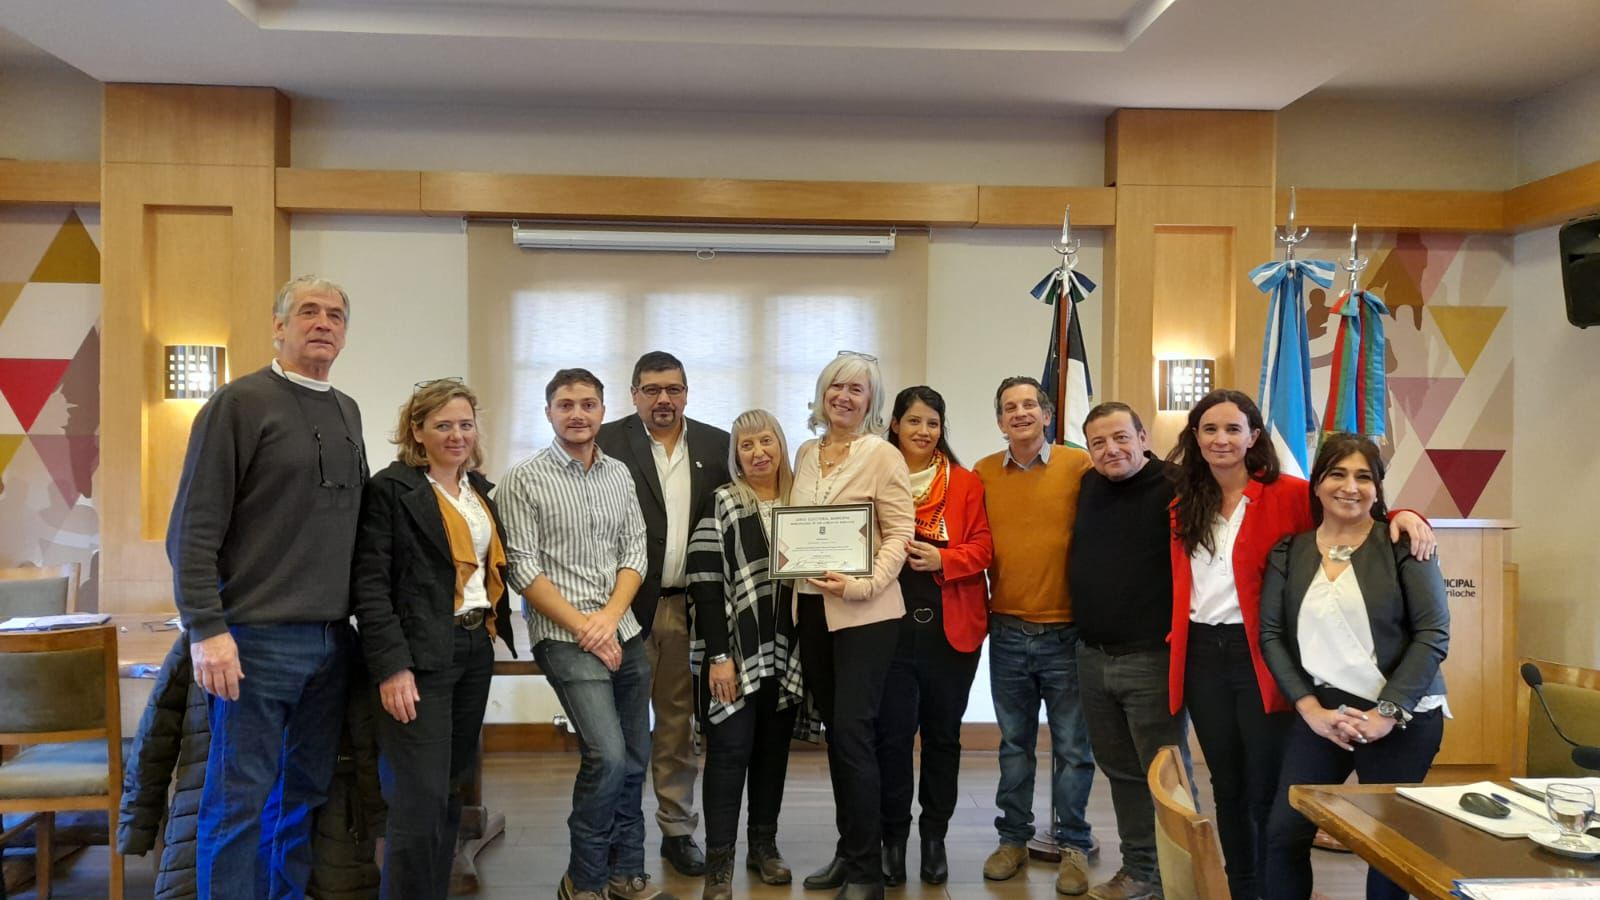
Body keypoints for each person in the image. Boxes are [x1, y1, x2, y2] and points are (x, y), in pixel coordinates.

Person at [1165, 389, 1434, 900]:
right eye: (1209, 429)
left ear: (1254, 436)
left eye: (1233, 428)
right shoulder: (1184, 504)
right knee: (1227, 784)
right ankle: (1243, 889)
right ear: (1195, 438)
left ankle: (1271, 889)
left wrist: (1405, 513)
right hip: (1201, 655)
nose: (1221, 439)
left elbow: (1351, 509)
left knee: (1266, 786)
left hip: (1262, 657)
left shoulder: (1288, 493)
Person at [167, 275, 366, 899]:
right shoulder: (238, 403)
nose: (323, 323)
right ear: (278, 326)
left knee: (301, 797)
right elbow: (191, 530)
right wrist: (207, 629)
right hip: (254, 642)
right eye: (308, 311)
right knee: (238, 805)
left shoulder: (347, 410)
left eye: (335, 315)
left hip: (331, 643)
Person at [492, 369, 661, 900]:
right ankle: (582, 879)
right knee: (606, 755)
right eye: (565, 405)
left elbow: (635, 551)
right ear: (548, 412)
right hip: (563, 636)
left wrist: (609, 618)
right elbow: (522, 568)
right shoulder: (523, 479)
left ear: (603, 412)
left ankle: (626, 872)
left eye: (588, 404)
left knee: (634, 757)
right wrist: (587, 625)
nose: (577, 414)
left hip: (622, 628)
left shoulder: (619, 474)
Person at [1260, 434, 1450, 900]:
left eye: (1364, 477)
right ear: (1317, 483)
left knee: (1386, 850)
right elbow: (1272, 635)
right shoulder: (1289, 552)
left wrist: (1386, 713)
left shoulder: (1403, 544)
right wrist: (1309, 709)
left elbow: (1433, 634)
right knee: (1284, 832)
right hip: (1323, 715)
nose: (1350, 486)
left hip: (1401, 716)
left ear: (1378, 488)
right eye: (1338, 474)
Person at [352, 378, 519, 898]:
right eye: (443, 425)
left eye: (465, 424)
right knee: (417, 797)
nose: (456, 435)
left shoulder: (479, 491)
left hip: (473, 649)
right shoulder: (391, 489)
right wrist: (391, 667)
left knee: (449, 789)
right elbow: (370, 586)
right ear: (417, 430)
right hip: (418, 656)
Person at [597, 351, 732, 877]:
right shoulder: (606, 441)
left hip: (684, 607)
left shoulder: (716, 445)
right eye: (651, 390)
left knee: (677, 724)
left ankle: (677, 830)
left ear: (686, 393)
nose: (663, 399)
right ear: (633, 394)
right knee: (617, 730)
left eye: (673, 389)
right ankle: (618, 832)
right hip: (619, 609)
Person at [793, 352, 915, 900]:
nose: (844, 396)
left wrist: (863, 585)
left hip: (866, 614)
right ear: (823, 394)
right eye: (836, 387)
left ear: (871, 402)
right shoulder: (805, 453)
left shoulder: (883, 454)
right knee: (836, 737)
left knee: (853, 735)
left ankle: (868, 873)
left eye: (856, 390)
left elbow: (901, 533)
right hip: (811, 611)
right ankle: (849, 851)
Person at [971, 375, 1097, 896]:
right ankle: (1013, 840)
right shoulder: (981, 473)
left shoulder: (1079, 465)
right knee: (1014, 746)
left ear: (1047, 415)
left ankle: (1074, 845)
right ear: (1000, 421)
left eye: (1029, 404)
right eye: (1009, 407)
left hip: (1067, 632)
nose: (1020, 413)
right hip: (1006, 630)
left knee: (1073, 748)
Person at [685, 409, 819, 900]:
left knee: (772, 753)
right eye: (747, 445)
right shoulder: (723, 501)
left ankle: (763, 846)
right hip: (733, 653)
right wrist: (719, 657)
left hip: (786, 649)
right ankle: (719, 863)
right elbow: (704, 581)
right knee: (729, 753)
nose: (759, 452)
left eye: (766, 441)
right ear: (735, 456)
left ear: (781, 446)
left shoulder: (802, 502)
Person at [1070, 402, 1192, 900]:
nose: (1110, 450)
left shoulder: (1180, 485)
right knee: (1121, 773)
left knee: (1167, 776)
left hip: (1151, 660)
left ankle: (1184, 878)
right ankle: (1141, 871)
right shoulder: (1087, 486)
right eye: (1098, 443)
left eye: (1121, 437)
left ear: (1143, 437)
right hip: (1093, 657)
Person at [876, 386, 992, 887]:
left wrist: (944, 558)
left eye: (933, 423)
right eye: (914, 421)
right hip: (887, 630)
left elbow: (984, 548)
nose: (924, 431)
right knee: (893, 739)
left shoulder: (965, 482)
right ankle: (893, 839)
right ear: (895, 424)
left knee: (943, 739)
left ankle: (934, 838)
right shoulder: (875, 474)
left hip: (952, 633)